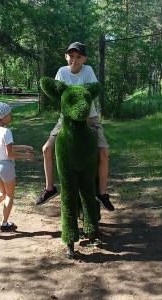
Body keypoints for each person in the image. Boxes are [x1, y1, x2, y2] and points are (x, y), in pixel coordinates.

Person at [36, 41, 114, 211]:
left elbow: (89, 96)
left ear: (84, 58)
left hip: (90, 118)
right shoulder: (62, 72)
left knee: (104, 152)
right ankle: (50, 188)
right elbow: (59, 97)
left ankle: (102, 192)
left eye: (78, 56)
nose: (74, 59)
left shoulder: (88, 71)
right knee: (47, 149)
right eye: (71, 56)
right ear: (66, 56)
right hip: (66, 119)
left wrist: (84, 121)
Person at [0, 102, 35, 232]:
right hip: (6, 166)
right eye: (9, 114)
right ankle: (4, 224)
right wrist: (27, 156)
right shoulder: (6, 131)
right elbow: (9, 154)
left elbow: (3, 148)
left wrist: (23, 147)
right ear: (3, 116)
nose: (11, 116)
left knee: (1, 193)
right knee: (9, 195)